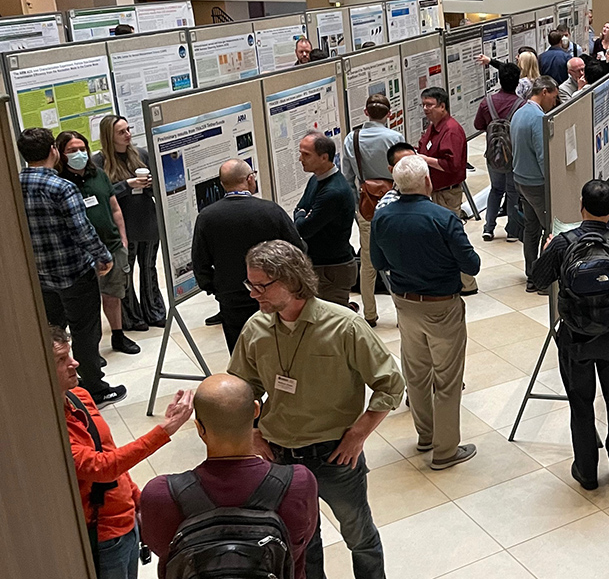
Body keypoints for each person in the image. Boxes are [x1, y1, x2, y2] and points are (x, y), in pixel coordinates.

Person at [228, 240, 405, 579]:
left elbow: (391, 384)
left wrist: (359, 433)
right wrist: (250, 432)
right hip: (278, 458)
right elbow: (242, 388)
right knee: (301, 542)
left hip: (335, 457)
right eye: (250, 284)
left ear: (292, 281)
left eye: (261, 285)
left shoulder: (344, 326)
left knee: (359, 536)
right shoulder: (256, 328)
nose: (253, 294)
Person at [141, 374, 319, 578]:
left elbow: (164, 553)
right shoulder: (298, 483)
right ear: (256, 411)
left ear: (199, 428)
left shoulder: (161, 494)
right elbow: (299, 545)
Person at [54, 325, 193, 578]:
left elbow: (109, 450)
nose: (74, 363)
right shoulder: (50, 427)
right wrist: (165, 430)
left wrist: (136, 499)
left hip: (126, 522)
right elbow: (102, 467)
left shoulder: (80, 395)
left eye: (70, 354)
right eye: (61, 360)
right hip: (104, 537)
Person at [371, 155, 479, 468]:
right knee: (446, 378)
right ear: (428, 183)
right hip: (441, 305)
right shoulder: (443, 218)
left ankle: (426, 436)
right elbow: (472, 264)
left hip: (404, 303)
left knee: (416, 374)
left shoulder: (382, 218)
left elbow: (379, 263)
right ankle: (445, 452)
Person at [530, 179, 609, 489]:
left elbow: (538, 279)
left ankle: (587, 473)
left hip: (575, 336)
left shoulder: (564, 243)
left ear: (581, 207)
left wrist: (549, 249)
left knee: (581, 404)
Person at [20, 128, 124, 406]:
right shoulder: (62, 187)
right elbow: (82, 230)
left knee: (52, 332)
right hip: (74, 274)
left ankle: (58, 386)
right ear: (54, 150)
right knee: (85, 333)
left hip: (40, 277)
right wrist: (104, 256)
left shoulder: (14, 185)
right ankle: (94, 389)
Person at [192, 160, 304, 351]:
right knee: (277, 349)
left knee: (240, 353)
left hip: (231, 297)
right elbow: (297, 250)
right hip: (272, 293)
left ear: (222, 184)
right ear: (250, 179)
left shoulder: (207, 217)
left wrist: (215, 288)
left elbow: (200, 262)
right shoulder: (271, 211)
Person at [56, 130, 137, 357]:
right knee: (87, 306)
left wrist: (122, 238)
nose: (79, 154)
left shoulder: (98, 175)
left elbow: (114, 208)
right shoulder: (61, 182)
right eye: (72, 151)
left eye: (82, 149)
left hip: (111, 246)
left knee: (113, 294)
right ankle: (90, 351)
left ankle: (118, 335)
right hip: (81, 254)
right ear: (61, 154)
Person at [94, 115, 165, 331]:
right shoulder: (99, 162)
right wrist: (127, 184)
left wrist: (150, 183)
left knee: (148, 268)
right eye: (121, 132)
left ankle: (154, 311)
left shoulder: (141, 154)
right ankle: (131, 316)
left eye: (128, 129)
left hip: (148, 220)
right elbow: (101, 196)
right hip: (124, 226)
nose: (128, 135)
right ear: (109, 136)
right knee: (126, 273)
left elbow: (158, 187)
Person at [341, 94, 404, 325]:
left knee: (367, 262)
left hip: (366, 204)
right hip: (395, 202)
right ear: (388, 113)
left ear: (366, 112)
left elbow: (347, 178)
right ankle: (402, 311)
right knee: (398, 258)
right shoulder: (394, 137)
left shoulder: (352, 139)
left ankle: (370, 314)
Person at [417, 86, 478, 294]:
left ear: (442, 106)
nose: (425, 109)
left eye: (430, 105)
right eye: (423, 104)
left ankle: (467, 283)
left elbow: (452, 165)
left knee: (452, 236)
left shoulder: (450, 130)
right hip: (434, 191)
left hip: (447, 193)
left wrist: (426, 160)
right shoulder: (432, 127)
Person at [294, 132, 359, 309]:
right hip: (320, 266)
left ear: (324, 157)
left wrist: (302, 214)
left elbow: (303, 228)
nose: (301, 159)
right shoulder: (315, 180)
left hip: (332, 270)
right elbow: (298, 210)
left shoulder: (333, 192)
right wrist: (302, 213)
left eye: (306, 154)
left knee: (332, 328)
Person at [512, 76, 560, 294]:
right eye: (554, 96)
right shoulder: (539, 118)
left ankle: (531, 275)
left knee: (531, 229)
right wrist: (554, 183)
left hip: (520, 179)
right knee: (549, 230)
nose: (555, 101)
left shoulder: (519, 112)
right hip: (537, 183)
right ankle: (542, 280)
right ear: (544, 92)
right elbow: (544, 157)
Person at [475, 62, 526, 242]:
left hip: (493, 154)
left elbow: (478, 125)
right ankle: (512, 230)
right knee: (513, 192)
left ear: (499, 80)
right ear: (517, 81)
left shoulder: (486, 102)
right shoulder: (522, 105)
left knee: (495, 189)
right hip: (514, 155)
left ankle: (488, 228)